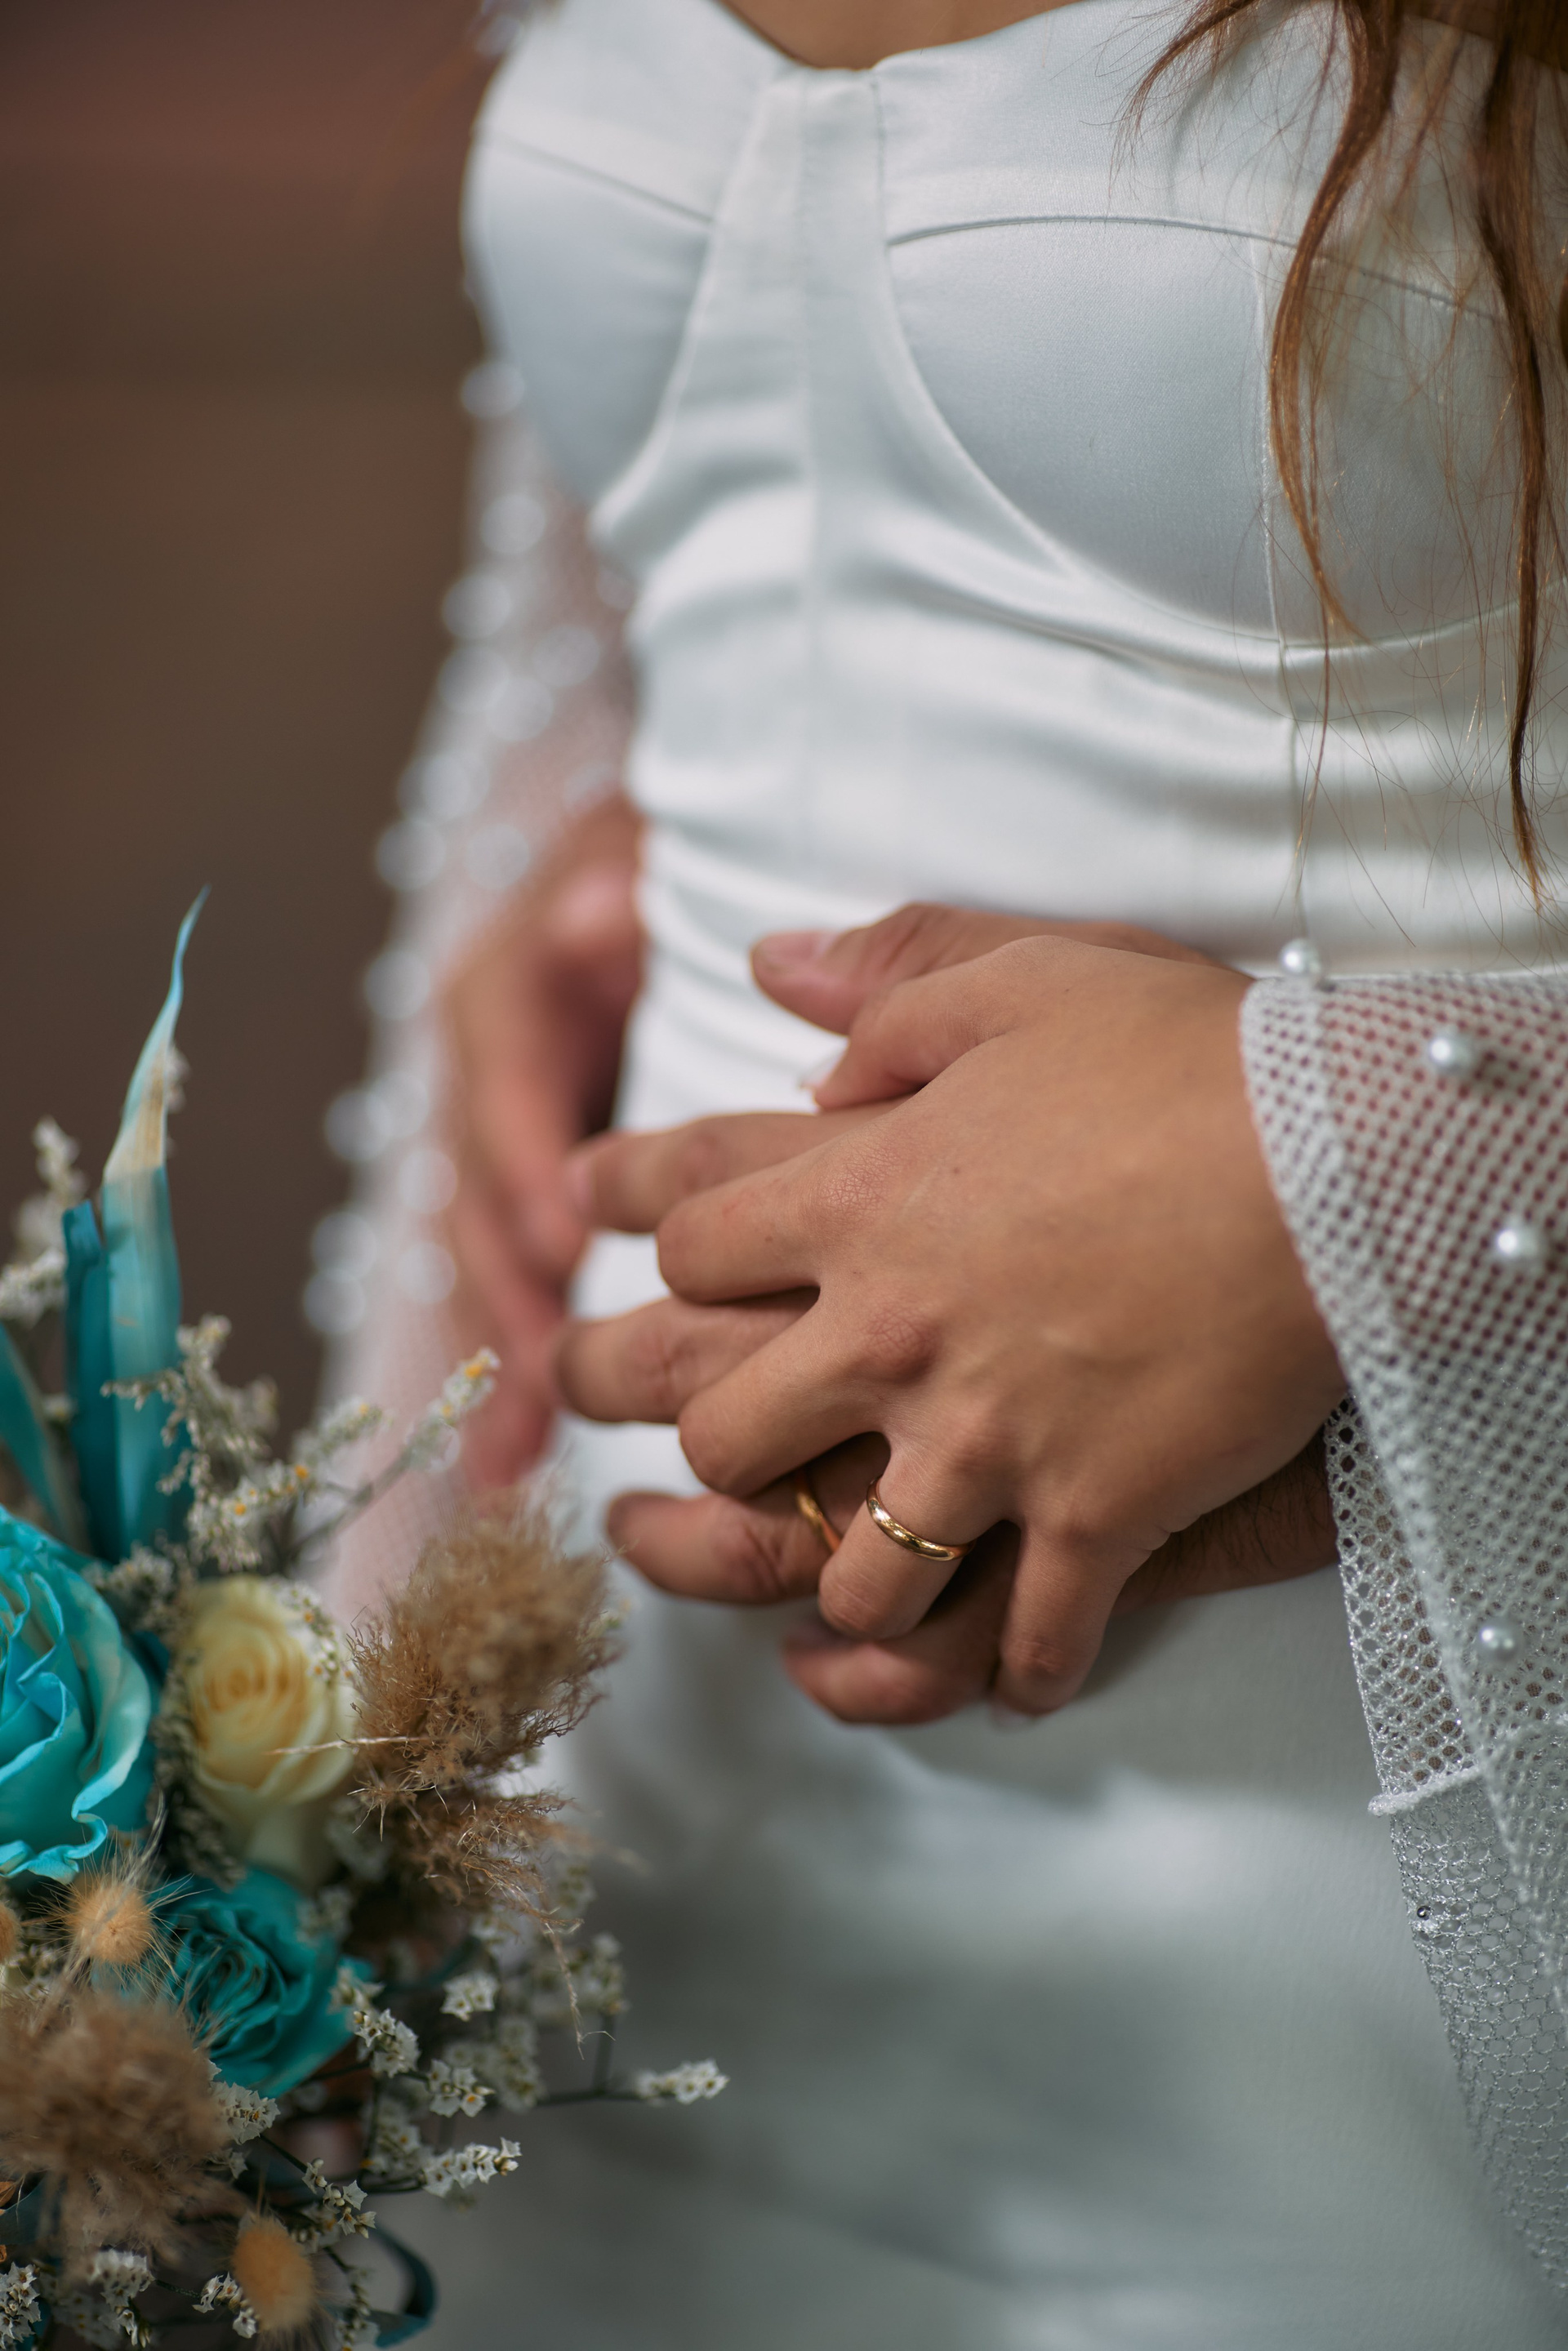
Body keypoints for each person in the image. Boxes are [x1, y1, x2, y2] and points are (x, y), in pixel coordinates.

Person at [335, 0, 1568, 2339]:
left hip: (1365, 1944)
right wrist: (343, 1790)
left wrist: (1372, 1146)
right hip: (620, 1859)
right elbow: (602, 640)